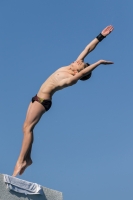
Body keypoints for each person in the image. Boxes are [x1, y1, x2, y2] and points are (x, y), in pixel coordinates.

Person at [13, 25, 114, 176]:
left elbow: (83, 73)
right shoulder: (70, 66)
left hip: (42, 101)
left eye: (80, 64)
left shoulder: (71, 79)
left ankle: (20, 162)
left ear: (78, 71)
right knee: (25, 128)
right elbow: (88, 48)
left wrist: (98, 63)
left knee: (28, 129)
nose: (78, 60)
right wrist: (101, 36)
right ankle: (27, 158)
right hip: (36, 98)